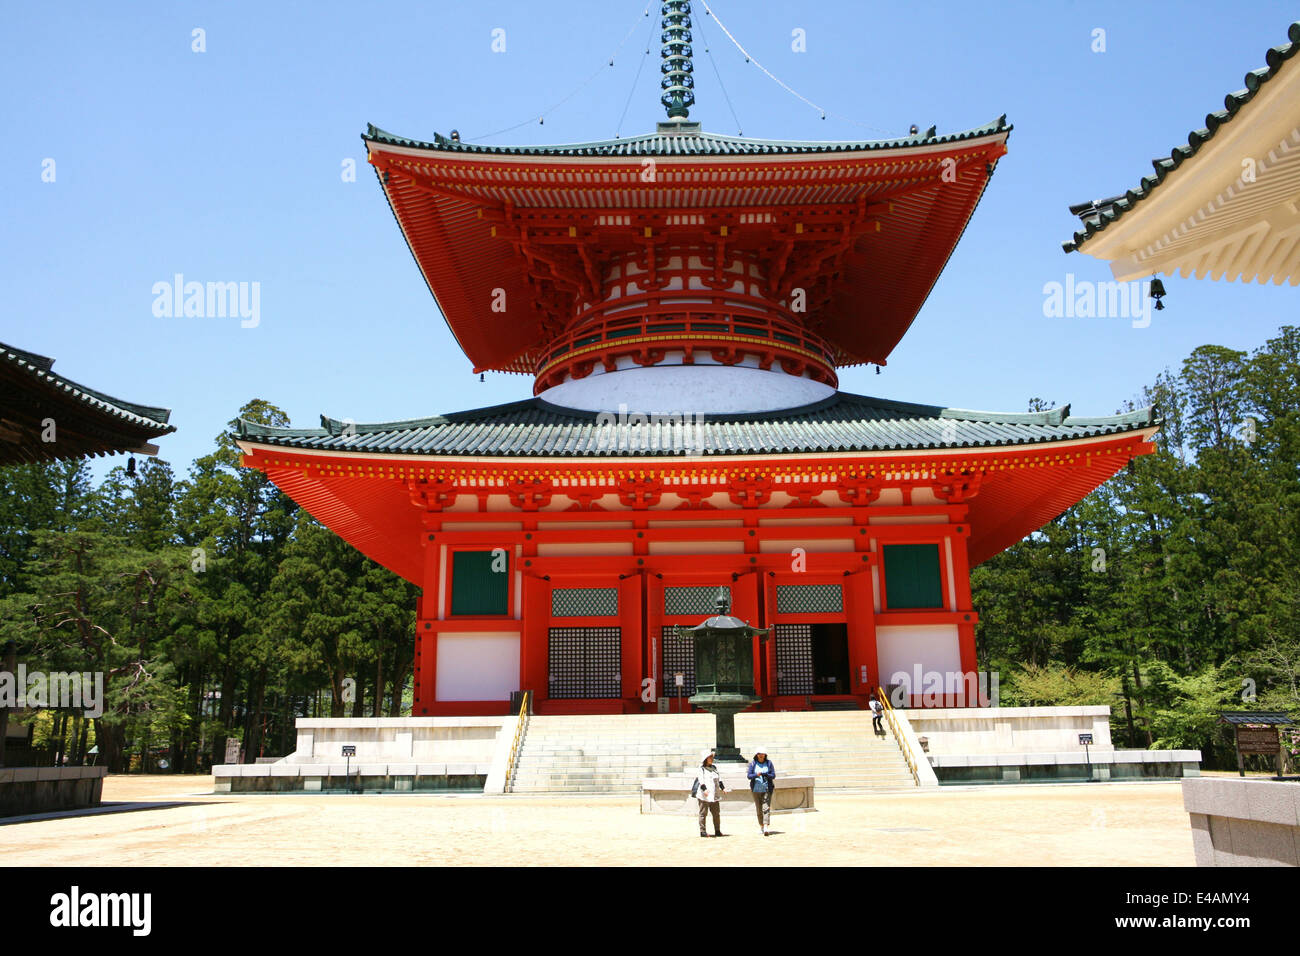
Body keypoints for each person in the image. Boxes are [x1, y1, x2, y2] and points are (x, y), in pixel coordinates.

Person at [693, 749, 727, 837]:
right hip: (704, 795)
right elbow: (701, 780)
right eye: (710, 757)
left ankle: (717, 830)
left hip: (715, 794)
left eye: (712, 757)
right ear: (705, 759)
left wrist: (723, 788)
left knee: (716, 813)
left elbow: (719, 779)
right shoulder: (701, 769)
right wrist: (704, 789)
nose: (712, 759)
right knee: (703, 813)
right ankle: (703, 831)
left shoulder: (714, 768)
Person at [747, 748, 776, 836]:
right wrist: (756, 775)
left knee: (766, 807)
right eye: (759, 754)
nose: (761, 755)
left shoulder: (769, 763)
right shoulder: (753, 763)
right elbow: (749, 775)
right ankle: (762, 826)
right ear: (756, 755)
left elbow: (773, 775)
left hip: (767, 788)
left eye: (762, 754)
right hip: (756, 789)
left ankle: (766, 826)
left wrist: (766, 774)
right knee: (759, 809)